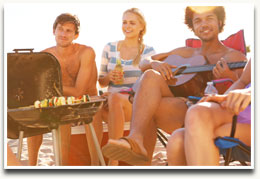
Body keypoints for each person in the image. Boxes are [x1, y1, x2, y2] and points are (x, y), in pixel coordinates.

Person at [102, 6, 248, 165]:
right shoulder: (186, 52)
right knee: (150, 75)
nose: (203, 24)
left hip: (214, 115)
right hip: (183, 108)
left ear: (220, 22)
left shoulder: (234, 56)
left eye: (209, 18)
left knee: (148, 107)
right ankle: (135, 138)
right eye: (198, 21)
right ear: (193, 27)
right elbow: (145, 63)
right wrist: (155, 63)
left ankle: (141, 162)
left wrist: (230, 77)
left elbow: (246, 91)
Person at [27, 13, 100, 166]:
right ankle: (33, 166)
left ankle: (96, 166)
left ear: (76, 35)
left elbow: (79, 91)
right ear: (54, 31)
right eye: (60, 29)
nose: (63, 34)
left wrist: (51, 87)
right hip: (63, 103)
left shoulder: (86, 52)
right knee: (40, 111)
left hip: (87, 102)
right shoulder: (45, 55)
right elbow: (38, 89)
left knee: (89, 105)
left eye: (68, 31)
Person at [88, 8, 155, 166]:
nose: (127, 26)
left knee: (116, 98)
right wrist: (109, 77)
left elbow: (149, 85)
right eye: (124, 22)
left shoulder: (148, 52)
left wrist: (115, 95)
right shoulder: (109, 48)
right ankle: (94, 163)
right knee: (91, 106)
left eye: (132, 23)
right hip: (111, 103)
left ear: (141, 27)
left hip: (134, 104)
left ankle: (113, 161)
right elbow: (101, 82)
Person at [166, 59, 251, 166]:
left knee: (200, 121)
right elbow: (242, 81)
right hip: (239, 109)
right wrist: (222, 99)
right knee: (178, 139)